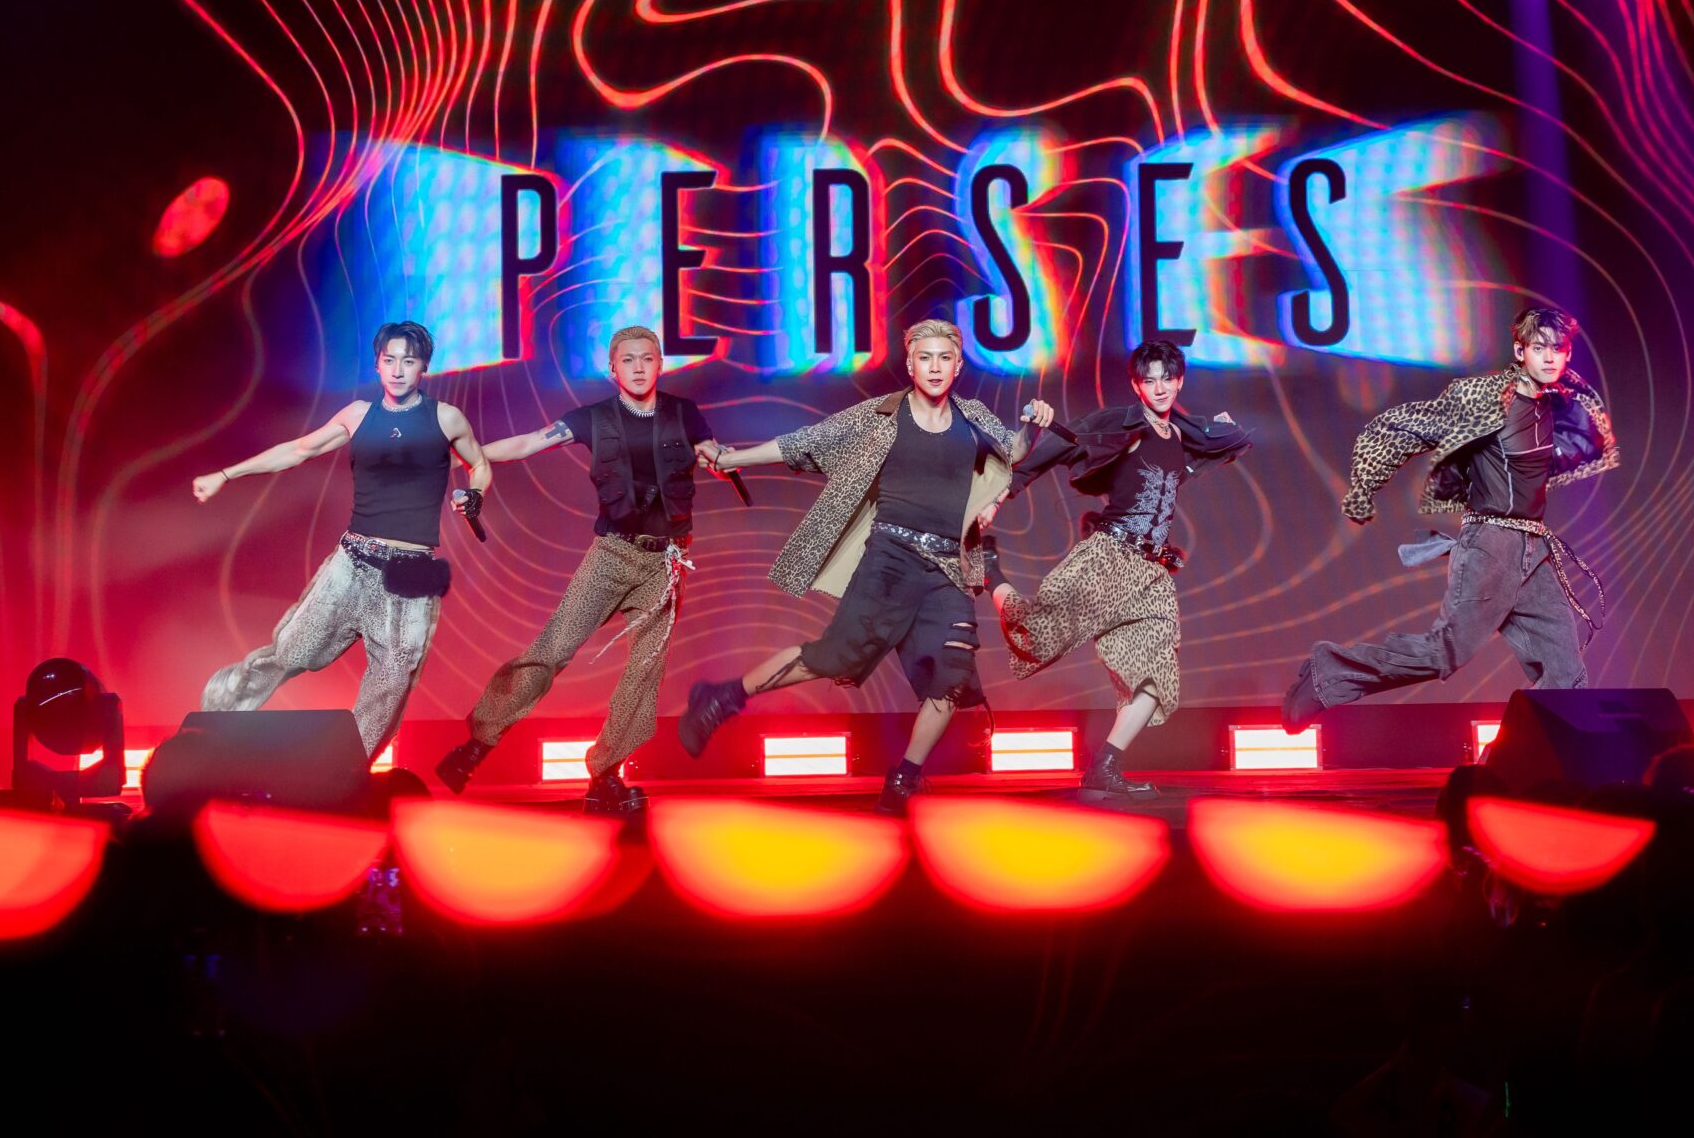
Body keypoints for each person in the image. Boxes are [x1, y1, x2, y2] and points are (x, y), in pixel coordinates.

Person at [675, 318, 1051, 814]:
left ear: (958, 366)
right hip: (890, 559)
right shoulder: (881, 415)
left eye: (944, 358)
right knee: (835, 657)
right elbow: (807, 440)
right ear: (910, 364)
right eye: (925, 358)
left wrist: (1032, 426)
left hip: (948, 567)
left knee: (952, 675)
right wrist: (730, 458)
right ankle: (723, 697)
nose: (935, 367)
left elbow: (1013, 450)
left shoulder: (973, 416)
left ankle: (904, 779)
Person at [1282, 305, 1618, 730]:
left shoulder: (1558, 406)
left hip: (1534, 549)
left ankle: (1527, 757)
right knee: (1445, 653)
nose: (1550, 357)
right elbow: (1405, 428)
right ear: (1520, 351)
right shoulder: (1483, 401)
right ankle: (1329, 673)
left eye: (1558, 349)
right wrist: (1364, 488)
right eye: (1539, 348)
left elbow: (1577, 437)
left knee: (1565, 671)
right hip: (1491, 545)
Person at [434, 326, 725, 814]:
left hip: (667, 561)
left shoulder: (684, 414)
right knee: (554, 648)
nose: (638, 367)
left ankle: (606, 774)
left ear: (660, 365)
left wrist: (729, 460)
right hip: (612, 554)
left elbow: (714, 453)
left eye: (647, 358)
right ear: (612, 369)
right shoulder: (593, 418)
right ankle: (477, 744)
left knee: (646, 669)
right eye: (627, 359)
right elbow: (529, 443)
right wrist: (462, 457)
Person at [193, 321, 490, 759]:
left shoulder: (446, 418)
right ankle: (214, 722)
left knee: (393, 677)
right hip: (352, 561)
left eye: (408, 361)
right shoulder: (357, 415)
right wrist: (225, 474)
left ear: (424, 366)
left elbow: (479, 464)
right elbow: (299, 450)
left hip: (411, 572)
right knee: (292, 651)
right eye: (389, 360)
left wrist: (475, 494)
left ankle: (349, 767)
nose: (398, 370)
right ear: (377, 365)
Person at [979, 339, 1251, 800]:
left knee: (1159, 674)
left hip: (1153, 573)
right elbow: (1052, 452)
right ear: (1136, 385)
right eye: (1150, 380)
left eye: (1168, 378)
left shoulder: (1183, 435)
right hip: (1109, 558)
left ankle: (1104, 766)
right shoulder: (1122, 427)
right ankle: (991, 573)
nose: (1160, 388)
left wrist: (1221, 428)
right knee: (1033, 636)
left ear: (1180, 381)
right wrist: (997, 496)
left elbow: (1232, 441)